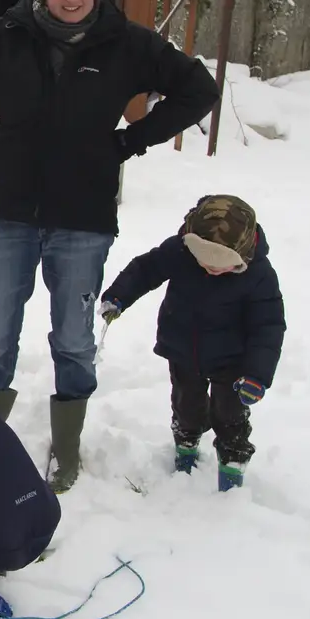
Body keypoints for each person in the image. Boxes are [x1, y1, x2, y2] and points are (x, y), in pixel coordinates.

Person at [0, 0, 220, 493]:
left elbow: (198, 89)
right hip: (7, 210)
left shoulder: (126, 42)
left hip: (83, 216)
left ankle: (68, 444)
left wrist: (131, 141)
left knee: (74, 337)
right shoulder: (6, 35)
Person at [99, 195, 286, 491]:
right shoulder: (181, 251)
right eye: (205, 261)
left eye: (222, 265)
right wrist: (119, 296)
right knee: (187, 405)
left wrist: (257, 375)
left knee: (230, 413)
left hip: (233, 361)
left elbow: (268, 327)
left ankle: (233, 462)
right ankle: (186, 444)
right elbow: (146, 270)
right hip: (184, 348)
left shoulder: (259, 275)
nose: (211, 269)